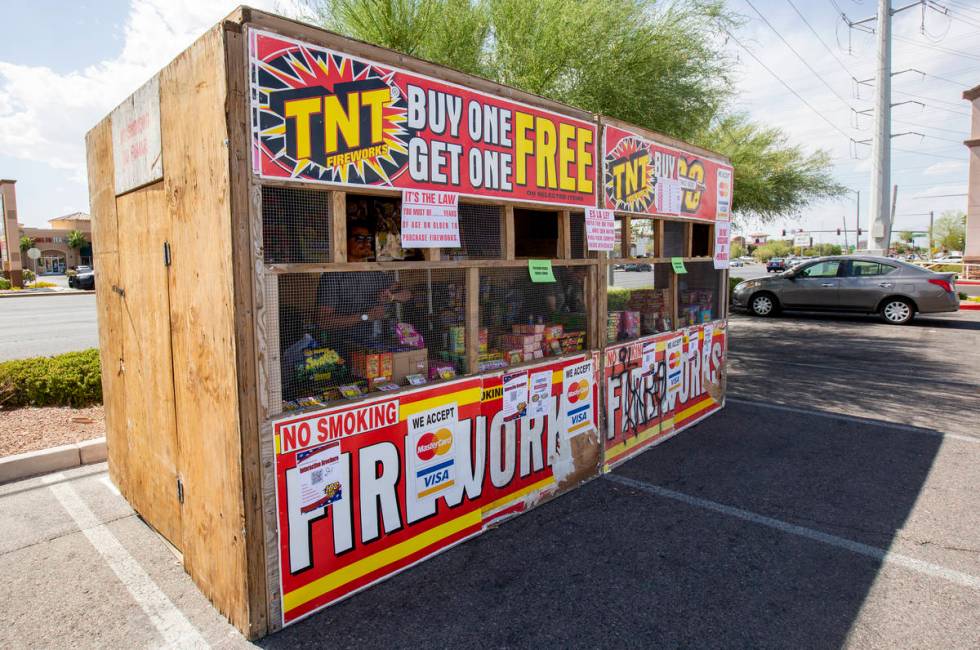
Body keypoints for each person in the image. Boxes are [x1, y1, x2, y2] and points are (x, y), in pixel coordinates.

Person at [315, 222, 410, 355]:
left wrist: (393, 296)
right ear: (344, 242)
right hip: (340, 348)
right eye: (359, 238)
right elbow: (323, 321)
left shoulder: (375, 273)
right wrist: (365, 316)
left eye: (369, 239)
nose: (366, 243)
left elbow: (407, 293)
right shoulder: (333, 276)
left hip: (374, 344)